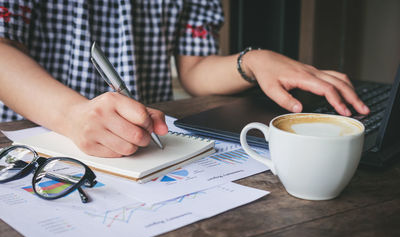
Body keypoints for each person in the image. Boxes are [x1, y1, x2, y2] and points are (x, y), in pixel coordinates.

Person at [0, 1, 369, 158]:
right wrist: (73, 115)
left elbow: (194, 70)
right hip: (37, 140)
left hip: (148, 138)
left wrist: (253, 61)